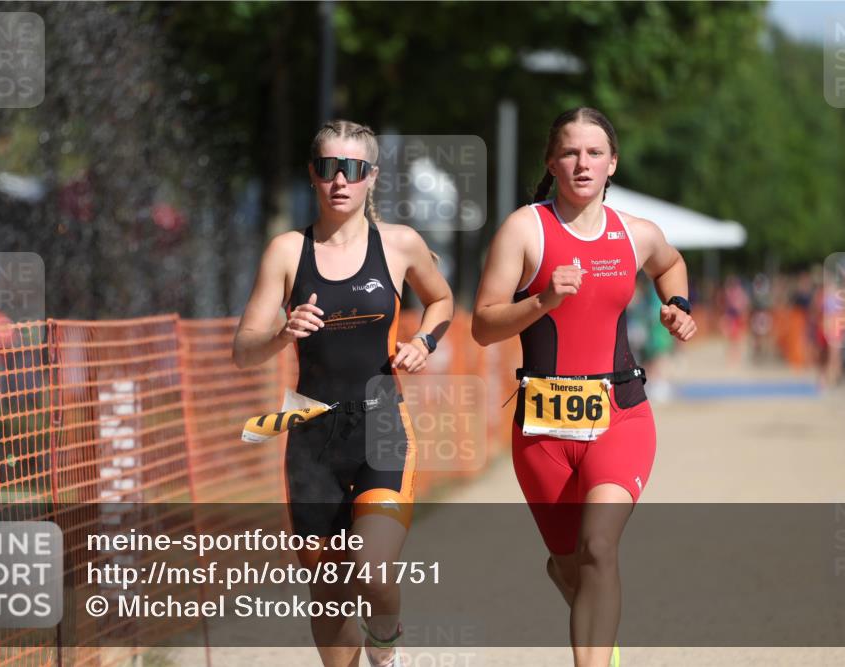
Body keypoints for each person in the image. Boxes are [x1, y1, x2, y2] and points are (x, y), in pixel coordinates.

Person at [472, 107, 696, 667]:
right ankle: (594, 625)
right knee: (573, 566)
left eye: (595, 153)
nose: (582, 163)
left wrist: (677, 305)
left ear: (612, 163)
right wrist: (542, 300)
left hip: (620, 414)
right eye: (570, 152)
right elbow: (483, 326)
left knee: (598, 547)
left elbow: (670, 264)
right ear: (552, 162)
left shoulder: (636, 233)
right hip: (543, 430)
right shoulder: (525, 230)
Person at [233, 120, 453, 667]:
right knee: (328, 591)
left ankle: (385, 644)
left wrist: (423, 341)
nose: (340, 180)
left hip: (381, 423)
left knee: (373, 571)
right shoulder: (287, 251)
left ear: (371, 177)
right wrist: (282, 333)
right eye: (329, 168)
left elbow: (441, 299)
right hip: (311, 432)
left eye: (353, 169)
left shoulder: (398, 244)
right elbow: (243, 350)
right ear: (313, 174)